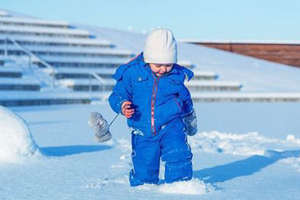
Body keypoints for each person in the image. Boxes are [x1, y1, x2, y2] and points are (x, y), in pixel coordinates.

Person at [109, 28, 197, 186]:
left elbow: (185, 99)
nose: (163, 69)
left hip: (172, 125)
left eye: (168, 65)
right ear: (148, 58)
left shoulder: (176, 76)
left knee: (178, 154)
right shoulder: (132, 74)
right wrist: (122, 105)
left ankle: (180, 186)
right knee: (145, 165)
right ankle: (144, 189)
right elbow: (116, 95)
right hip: (143, 128)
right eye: (158, 65)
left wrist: (190, 118)